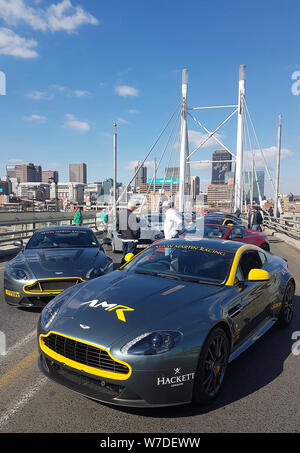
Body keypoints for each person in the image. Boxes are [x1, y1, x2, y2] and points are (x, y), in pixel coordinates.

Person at [117, 200, 141, 266]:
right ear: (132, 207)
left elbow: (117, 225)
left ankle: (122, 265)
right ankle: (128, 268)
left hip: (124, 238)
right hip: (132, 238)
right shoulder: (132, 215)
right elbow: (135, 228)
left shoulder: (121, 214)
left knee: (125, 254)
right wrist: (137, 236)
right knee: (130, 256)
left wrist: (121, 232)